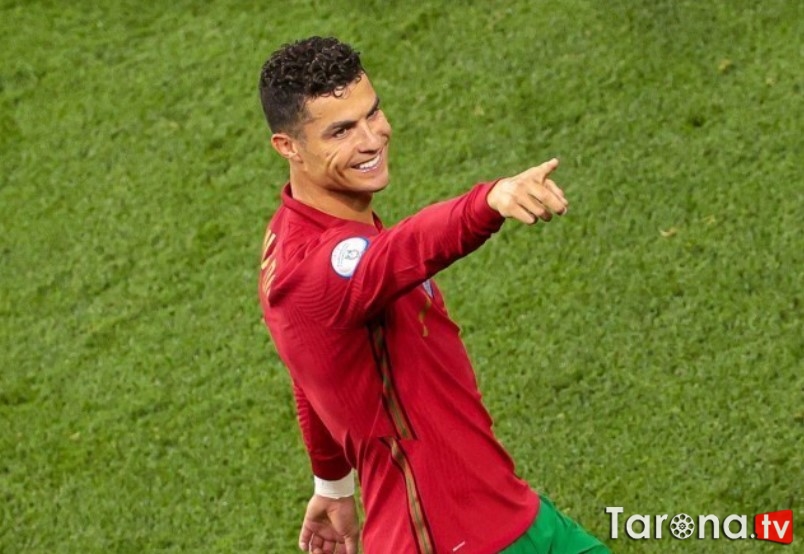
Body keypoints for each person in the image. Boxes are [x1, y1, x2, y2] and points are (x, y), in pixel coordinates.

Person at [257, 36, 609, 554]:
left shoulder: (298, 230)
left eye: (372, 113)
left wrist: (332, 485)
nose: (372, 139)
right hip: (446, 537)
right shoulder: (317, 269)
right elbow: (406, 249)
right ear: (288, 147)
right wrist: (488, 201)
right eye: (341, 131)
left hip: (507, 511)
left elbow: (309, 374)